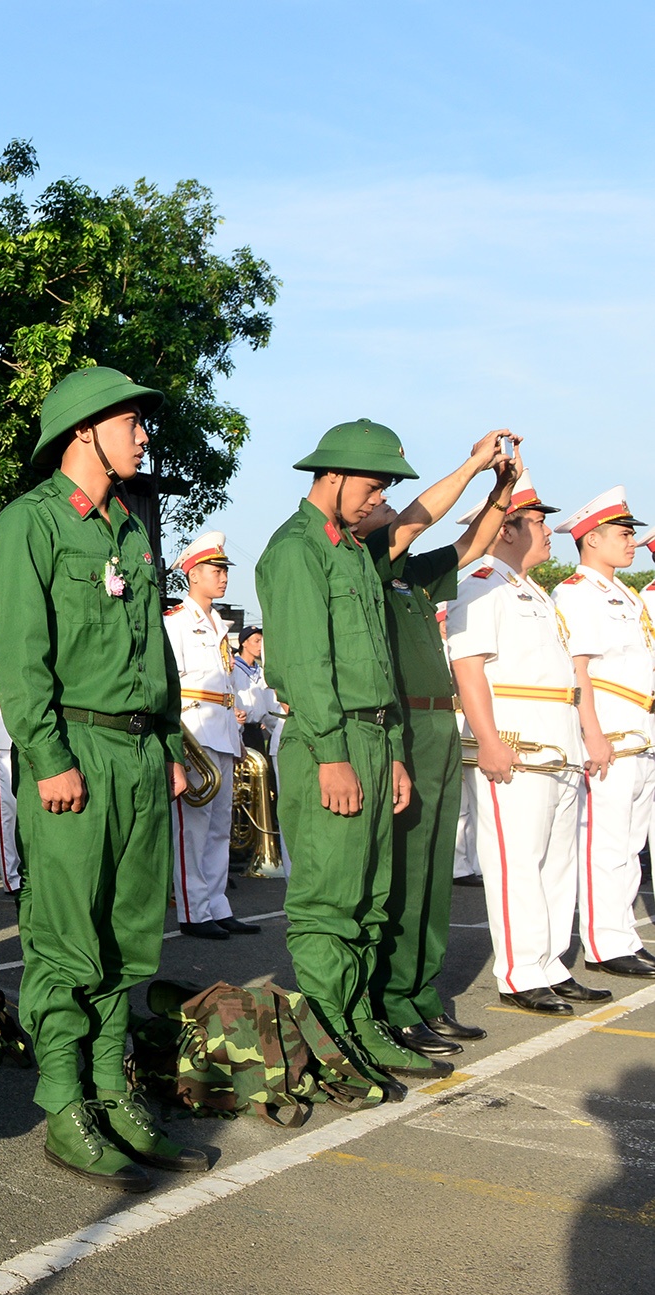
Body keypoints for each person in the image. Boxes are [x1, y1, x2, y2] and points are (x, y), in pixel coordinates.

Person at [0, 364, 207, 1193]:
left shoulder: (130, 527)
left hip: (142, 754)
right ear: (84, 430)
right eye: (130, 422)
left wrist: (176, 747)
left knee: (129, 932)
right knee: (66, 936)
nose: (144, 435)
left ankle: (114, 1087)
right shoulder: (32, 524)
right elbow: (21, 657)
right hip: (75, 750)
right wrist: (48, 759)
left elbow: (153, 650)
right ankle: (65, 1101)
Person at [258, 421, 433, 1094]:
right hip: (330, 739)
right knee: (330, 902)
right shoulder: (297, 549)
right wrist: (333, 755)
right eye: (372, 483)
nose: (379, 496)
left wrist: (390, 751)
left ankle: (360, 1024)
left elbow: (374, 660)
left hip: (375, 736)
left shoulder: (354, 551)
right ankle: (331, 1040)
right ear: (331, 475)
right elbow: (306, 662)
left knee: (370, 901)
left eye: (386, 484)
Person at [349, 431, 515, 1057]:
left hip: (439, 725)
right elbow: (420, 520)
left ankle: (421, 994)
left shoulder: (410, 577)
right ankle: (394, 1003)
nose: (392, 501)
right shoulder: (370, 558)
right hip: (405, 728)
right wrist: (474, 464)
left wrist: (500, 490)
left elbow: (470, 542)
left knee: (435, 873)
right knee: (408, 869)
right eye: (382, 494)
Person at [449, 472, 612, 1015]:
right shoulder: (479, 582)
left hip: (556, 746)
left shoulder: (533, 590)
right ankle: (519, 971)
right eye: (538, 522)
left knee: (555, 863)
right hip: (516, 748)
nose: (547, 533)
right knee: (517, 861)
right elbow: (468, 667)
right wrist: (489, 741)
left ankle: (549, 963)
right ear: (505, 530)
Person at [551, 487, 655, 979]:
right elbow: (580, 670)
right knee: (607, 842)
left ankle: (623, 936)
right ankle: (604, 942)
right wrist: (592, 733)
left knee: (630, 843)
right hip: (611, 733)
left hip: (639, 733)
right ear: (591, 539)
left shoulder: (626, 594)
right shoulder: (576, 592)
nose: (632, 541)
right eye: (622, 533)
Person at [163, 532, 257, 939]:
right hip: (194, 730)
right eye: (215, 570)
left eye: (223, 571)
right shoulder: (177, 622)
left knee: (219, 826)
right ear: (193, 574)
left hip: (220, 728)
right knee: (193, 827)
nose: (223, 578)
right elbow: (170, 685)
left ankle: (217, 904)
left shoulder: (219, 622)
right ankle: (193, 910)